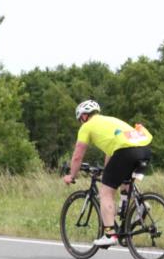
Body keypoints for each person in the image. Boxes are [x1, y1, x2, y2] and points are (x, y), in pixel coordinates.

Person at [62, 100, 152, 246]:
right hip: (144, 149)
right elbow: (111, 151)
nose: (81, 122)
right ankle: (141, 205)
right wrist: (107, 172)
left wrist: (72, 175)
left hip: (125, 152)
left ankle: (110, 234)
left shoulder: (87, 126)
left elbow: (78, 154)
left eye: (80, 119)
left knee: (105, 192)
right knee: (123, 182)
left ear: (84, 116)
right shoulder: (111, 120)